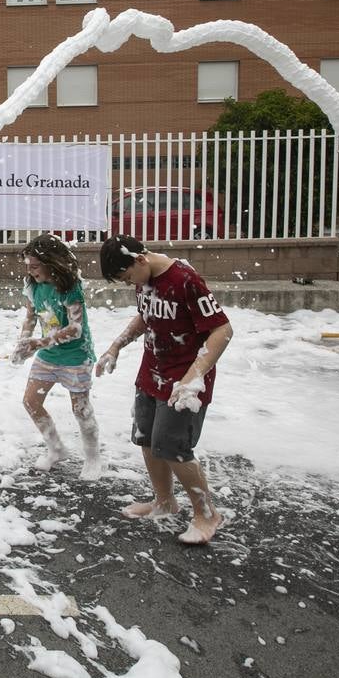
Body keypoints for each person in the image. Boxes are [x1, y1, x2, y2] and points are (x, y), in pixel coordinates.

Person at [97, 234, 233, 546]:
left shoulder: (185, 279)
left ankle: (207, 513)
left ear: (140, 259)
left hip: (186, 375)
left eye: (128, 276)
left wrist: (193, 378)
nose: (129, 283)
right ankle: (164, 501)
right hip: (152, 370)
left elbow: (222, 329)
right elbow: (147, 315)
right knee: (146, 437)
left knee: (172, 446)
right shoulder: (144, 278)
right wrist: (116, 345)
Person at [11, 234, 101, 477]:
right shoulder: (33, 285)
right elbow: (30, 317)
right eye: (28, 266)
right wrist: (23, 343)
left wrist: (39, 342)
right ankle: (56, 448)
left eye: (35, 266)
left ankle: (93, 458)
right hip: (48, 355)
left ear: (52, 263)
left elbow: (76, 328)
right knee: (31, 401)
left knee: (81, 409)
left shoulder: (69, 287)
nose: (31, 271)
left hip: (76, 356)